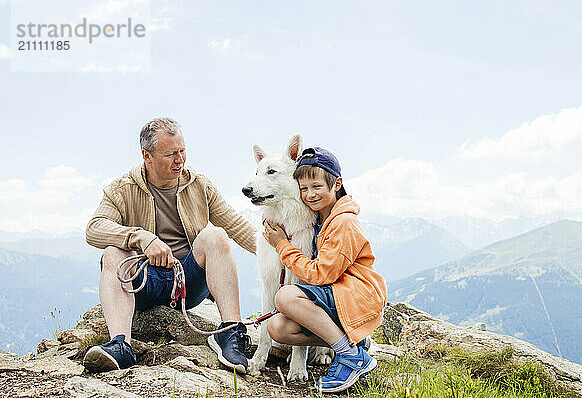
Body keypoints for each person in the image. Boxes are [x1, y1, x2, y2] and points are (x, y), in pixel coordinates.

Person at [84, 118, 256, 374]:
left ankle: (230, 332)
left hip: (187, 283)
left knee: (216, 236)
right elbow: (94, 229)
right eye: (171, 154)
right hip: (143, 280)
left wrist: (287, 256)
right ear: (147, 156)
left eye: (182, 151)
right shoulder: (121, 189)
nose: (180, 160)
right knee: (112, 252)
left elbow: (238, 228)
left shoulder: (199, 185)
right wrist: (140, 237)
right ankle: (121, 346)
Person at [262, 147, 387, 393]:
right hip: (337, 297)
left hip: (354, 298)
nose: (309, 195)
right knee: (277, 328)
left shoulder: (344, 222)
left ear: (336, 184)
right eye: (304, 189)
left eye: (317, 187)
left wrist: (283, 247)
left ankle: (350, 356)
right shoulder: (319, 219)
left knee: (286, 296)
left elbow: (321, 275)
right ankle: (355, 340)